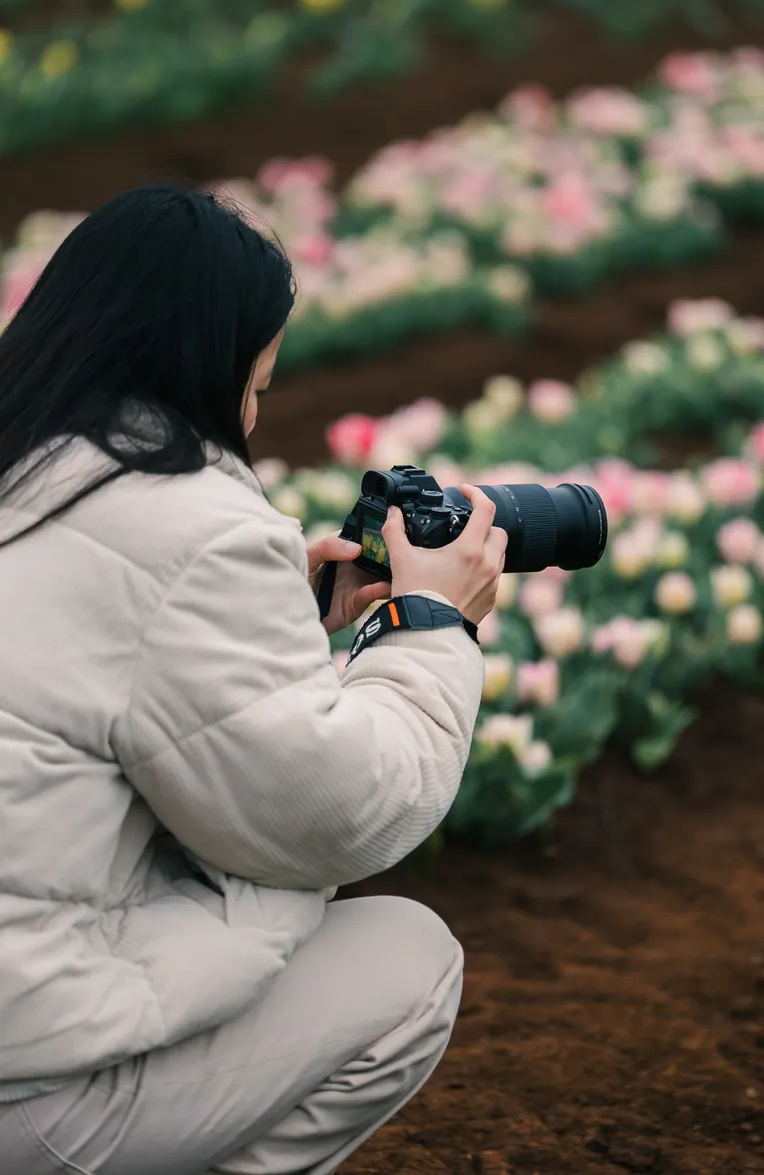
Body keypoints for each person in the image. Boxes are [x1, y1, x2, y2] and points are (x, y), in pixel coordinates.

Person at [0, 186, 507, 1174]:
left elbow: (87, 669)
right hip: (30, 1092)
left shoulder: (29, 468)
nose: (254, 410)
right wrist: (431, 623)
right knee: (407, 961)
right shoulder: (181, 523)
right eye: (260, 383)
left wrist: (288, 620)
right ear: (206, 370)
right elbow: (329, 810)